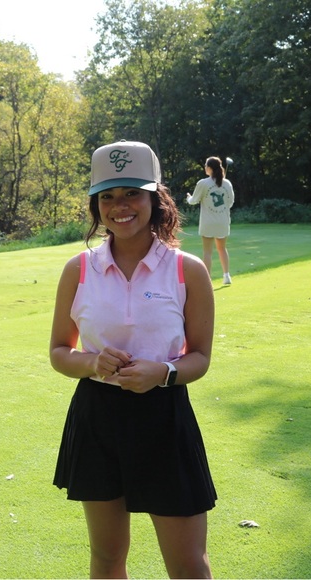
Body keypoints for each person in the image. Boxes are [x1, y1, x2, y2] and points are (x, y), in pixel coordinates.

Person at [50, 140, 217, 579]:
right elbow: (59, 352)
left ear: (155, 199)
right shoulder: (78, 269)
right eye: (107, 196)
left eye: (131, 194)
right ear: (96, 204)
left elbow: (200, 357)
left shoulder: (187, 269)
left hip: (165, 418)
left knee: (188, 565)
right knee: (107, 558)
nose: (119, 206)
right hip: (97, 419)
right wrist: (92, 363)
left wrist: (163, 373)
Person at [186, 157, 235, 285]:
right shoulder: (227, 183)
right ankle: (226, 276)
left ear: (210, 168)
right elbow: (230, 203)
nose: (205, 168)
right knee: (222, 248)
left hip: (208, 222)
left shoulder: (203, 183)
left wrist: (188, 198)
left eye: (206, 166)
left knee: (207, 252)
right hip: (223, 221)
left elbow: (193, 201)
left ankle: (208, 280)